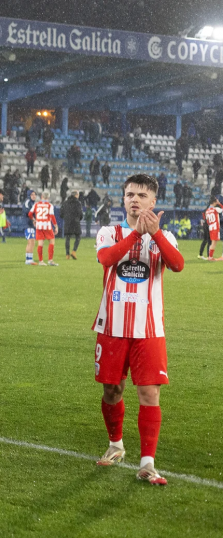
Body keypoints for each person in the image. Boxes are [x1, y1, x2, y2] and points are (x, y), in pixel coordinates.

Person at [93, 174, 184, 486]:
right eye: (130, 194)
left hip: (149, 330)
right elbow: (106, 258)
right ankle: (116, 444)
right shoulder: (109, 232)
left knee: (149, 392)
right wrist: (136, 236)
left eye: (142, 195)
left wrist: (154, 235)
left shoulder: (166, 237)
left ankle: (147, 463)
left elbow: (177, 264)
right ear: (123, 200)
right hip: (113, 327)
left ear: (153, 202)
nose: (135, 199)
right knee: (112, 389)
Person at [29, 192, 59, 266]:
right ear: (48, 198)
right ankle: (50, 260)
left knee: (40, 243)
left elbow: (29, 214)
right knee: (52, 241)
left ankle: (41, 261)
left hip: (39, 226)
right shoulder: (49, 205)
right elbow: (52, 216)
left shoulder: (36, 204)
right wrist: (55, 226)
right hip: (47, 226)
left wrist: (34, 219)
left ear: (41, 196)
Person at [61, 190, 84, 259]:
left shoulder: (65, 203)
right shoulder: (78, 203)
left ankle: (67, 254)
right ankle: (74, 251)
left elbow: (61, 213)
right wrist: (78, 218)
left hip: (67, 222)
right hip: (75, 221)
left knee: (67, 238)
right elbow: (80, 213)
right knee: (78, 237)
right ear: (76, 195)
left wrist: (66, 218)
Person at [23, 190, 38, 265]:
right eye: (32, 194)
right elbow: (28, 212)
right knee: (31, 242)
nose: (34, 196)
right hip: (28, 225)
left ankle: (28, 259)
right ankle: (29, 260)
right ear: (29, 195)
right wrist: (33, 219)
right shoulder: (28, 202)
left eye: (35, 194)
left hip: (30, 225)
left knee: (30, 242)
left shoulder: (33, 203)